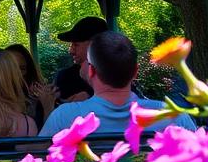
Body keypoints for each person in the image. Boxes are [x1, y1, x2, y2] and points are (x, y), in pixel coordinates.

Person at [41, 31, 197, 137]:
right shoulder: (174, 117)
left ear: (91, 71)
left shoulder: (64, 117)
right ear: (135, 71)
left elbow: (38, 160)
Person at [52, 17, 107, 103]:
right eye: (71, 45)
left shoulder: (115, 75)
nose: (71, 51)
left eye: (76, 45)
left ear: (94, 46)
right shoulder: (65, 77)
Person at [6, 44, 56, 127]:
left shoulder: (38, 101)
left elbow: (47, 136)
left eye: (22, 68)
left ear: (28, 71)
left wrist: (47, 106)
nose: (16, 73)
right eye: (11, 67)